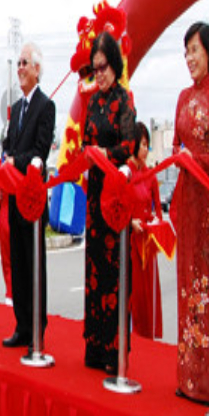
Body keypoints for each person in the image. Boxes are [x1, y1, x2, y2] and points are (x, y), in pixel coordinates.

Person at [172, 22, 209, 405]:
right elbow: (177, 144)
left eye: (194, 49)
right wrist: (181, 157)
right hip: (186, 202)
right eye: (186, 52)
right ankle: (187, 378)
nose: (189, 58)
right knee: (186, 286)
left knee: (207, 292)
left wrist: (194, 161)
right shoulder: (181, 97)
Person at [82, 32, 136, 374]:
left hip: (114, 195)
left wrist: (106, 153)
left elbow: (130, 146)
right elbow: (85, 140)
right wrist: (88, 153)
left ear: (114, 65)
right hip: (94, 195)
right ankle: (95, 345)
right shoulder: (92, 103)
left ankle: (114, 349)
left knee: (114, 274)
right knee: (94, 270)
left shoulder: (124, 100)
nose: (99, 74)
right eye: (95, 68)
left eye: (103, 67)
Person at [1, 43, 56, 348]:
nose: (20, 68)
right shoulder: (16, 108)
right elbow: (10, 144)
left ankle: (37, 327)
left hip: (33, 199)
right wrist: (6, 160)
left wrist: (15, 162)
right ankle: (21, 325)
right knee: (19, 265)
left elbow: (40, 151)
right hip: (14, 196)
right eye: (19, 63)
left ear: (37, 69)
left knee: (34, 265)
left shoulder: (46, 106)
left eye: (25, 63)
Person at [127, 122, 163, 340]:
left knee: (148, 295)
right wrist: (130, 221)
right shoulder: (125, 172)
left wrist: (155, 223)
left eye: (147, 145)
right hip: (130, 242)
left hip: (147, 244)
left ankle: (148, 336)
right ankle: (132, 334)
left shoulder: (150, 175)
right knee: (133, 293)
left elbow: (158, 210)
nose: (145, 150)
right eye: (142, 144)